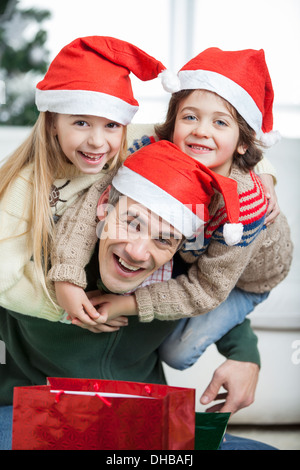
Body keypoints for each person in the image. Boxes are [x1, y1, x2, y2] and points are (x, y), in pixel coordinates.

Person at [0, 141, 274, 450]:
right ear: (105, 206)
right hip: (37, 416)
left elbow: (214, 305)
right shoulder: (34, 260)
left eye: (164, 239)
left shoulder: (178, 275)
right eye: (132, 224)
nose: (137, 252)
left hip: (141, 420)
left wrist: (244, 357)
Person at [50, 48, 293, 370]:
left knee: (177, 353)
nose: (201, 130)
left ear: (243, 143)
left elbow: (209, 287)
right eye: (190, 117)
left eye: (220, 122)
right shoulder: (153, 149)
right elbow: (92, 200)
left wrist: (127, 304)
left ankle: (235, 326)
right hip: (190, 249)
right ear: (172, 122)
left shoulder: (245, 209)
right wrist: (66, 276)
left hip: (242, 278)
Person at [0, 35, 167, 321]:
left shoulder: (135, 142)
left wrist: (262, 175)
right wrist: (66, 307)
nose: (97, 141)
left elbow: (203, 138)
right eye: (81, 123)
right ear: (53, 123)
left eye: (111, 125)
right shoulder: (27, 186)